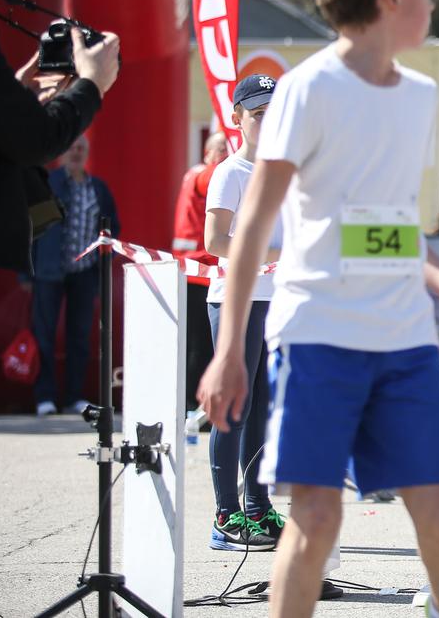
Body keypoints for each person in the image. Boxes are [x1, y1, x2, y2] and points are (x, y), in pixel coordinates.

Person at [197, 0, 439, 618]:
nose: (433, 5)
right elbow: (247, 232)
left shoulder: (421, 97)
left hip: (402, 340)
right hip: (317, 335)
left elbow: (389, 229)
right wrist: (226, 352)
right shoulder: (304, 91)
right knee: (316, 519)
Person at [203, 75, 285, 550]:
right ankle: (225, 514)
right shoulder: (230, 172)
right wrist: (272, 251)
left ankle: (257, 506)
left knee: (262, 409)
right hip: (236, 299)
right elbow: (214, 241)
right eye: (258, 114)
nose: (267, 123)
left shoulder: (284, 172)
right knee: (235, 405)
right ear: (237, 118)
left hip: (277, 299)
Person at [0, 27, 120, 274]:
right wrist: (92, 84)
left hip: (80, 271)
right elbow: (36, 140)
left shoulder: (98, 187)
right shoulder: (58, 179)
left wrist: (15, 103)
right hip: (48, 271)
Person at [29, 135, 119, 415]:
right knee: (44, 334)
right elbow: (31, 227)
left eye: (81, 148)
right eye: (71, 148)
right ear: (62, 153)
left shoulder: (98, 188)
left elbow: (112, 226)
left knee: (79, 336)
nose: (76, 153)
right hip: (48, 271)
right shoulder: (49, 183)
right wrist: (26, 272)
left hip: (85, 273)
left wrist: (105, 260)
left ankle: (74, 396)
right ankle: (45, 397)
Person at [173, 131, 227, 411]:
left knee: (201, 343)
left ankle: (194, 407)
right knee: (200, 345)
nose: (226, 153)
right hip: (198, 273)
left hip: (202, 272)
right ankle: (192, 408)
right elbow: (219, 177)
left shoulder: (196, 175)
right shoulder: (203, 175)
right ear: (206, 153)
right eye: (221, 149)